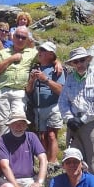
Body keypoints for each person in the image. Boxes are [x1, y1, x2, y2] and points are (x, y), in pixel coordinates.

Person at [59, 47, 94, 178]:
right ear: (72, 64)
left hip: (92, 122)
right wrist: (69, 118)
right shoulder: (70, 77)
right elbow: (63, 101)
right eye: (76, 62)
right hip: (73, 123)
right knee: (74, 159)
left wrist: (83, 119)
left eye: (82, 60)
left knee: (93, 162)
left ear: (87, 60)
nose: (79, 64)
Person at [25, 41, 65, 172]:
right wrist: (32, 80)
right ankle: (45, 163)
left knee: (52, 135)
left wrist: (45, 79)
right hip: (38, 107)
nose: (39, 52)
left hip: (53, 106)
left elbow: (61, 90)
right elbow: (29, 91)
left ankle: (52, 163)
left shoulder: (57, 69)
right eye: (40, 49)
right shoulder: (34, 68)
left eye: (43, 50)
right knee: (42, 136)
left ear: (50, 54)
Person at [0, 26, 37, 136]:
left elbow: (47, 57)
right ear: (12, 37)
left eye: (23, 37)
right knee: (3, 123)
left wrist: (57, 62)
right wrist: (11, 58)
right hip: (3, 90)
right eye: (18, 36)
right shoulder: (3, 52)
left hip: (20, 92)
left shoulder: (33, 53)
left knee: (19, 121)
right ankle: (5, 150)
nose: (20, 39)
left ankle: (18, 149)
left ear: (27, 40)